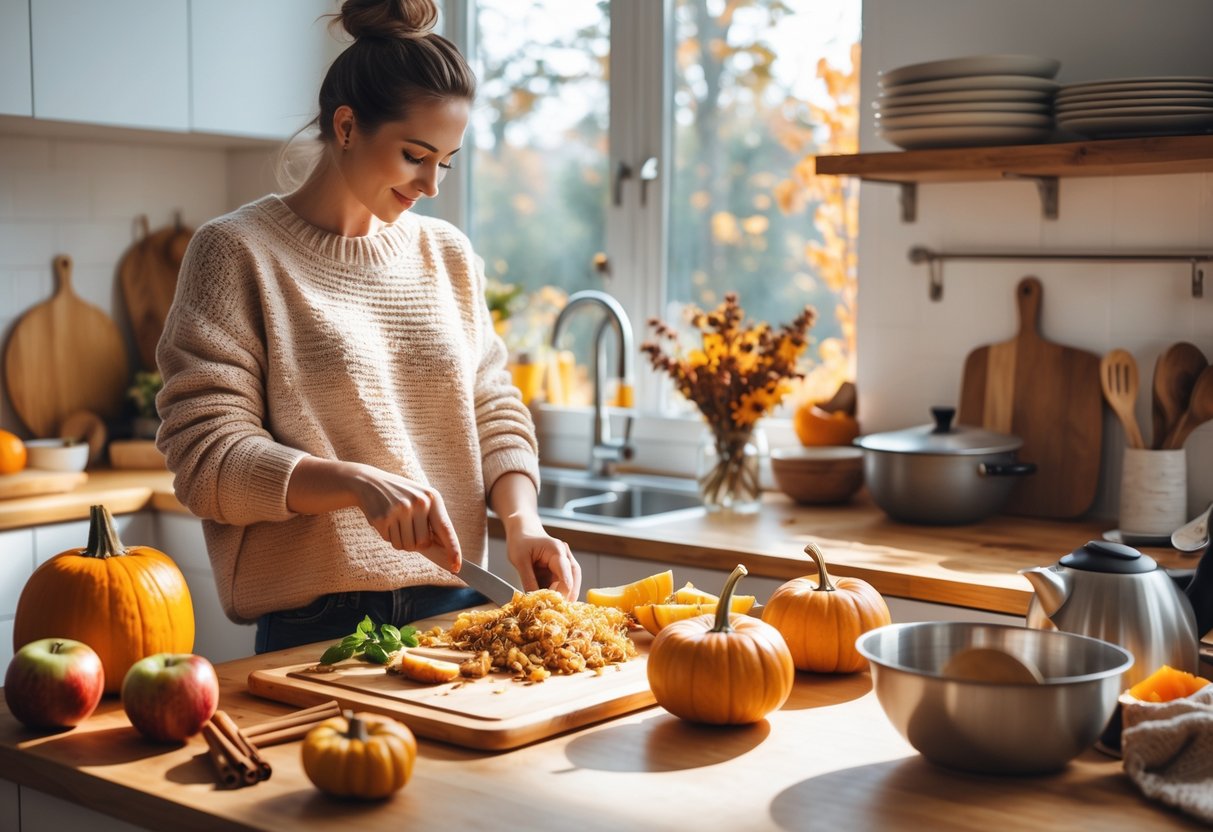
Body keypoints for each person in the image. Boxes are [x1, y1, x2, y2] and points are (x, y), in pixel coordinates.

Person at [155, 0, 581, 654]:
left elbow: (492, 406)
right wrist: (354, 482)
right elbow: (207, 462)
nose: (431, 185)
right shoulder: (235, 252)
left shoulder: (447, 255)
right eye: (415, 155)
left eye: (446, 160)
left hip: (458, 607)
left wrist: (523, 523)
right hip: (318, 627)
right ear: (347, 127)